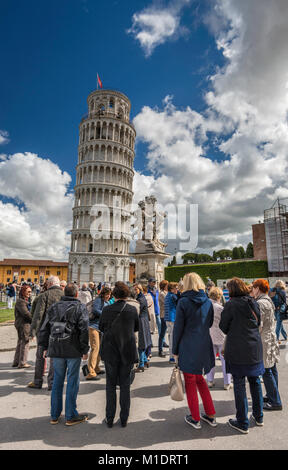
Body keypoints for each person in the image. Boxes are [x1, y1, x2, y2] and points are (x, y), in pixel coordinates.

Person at [38, 283, 89, 426]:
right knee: (72, 381)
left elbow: (44, 327)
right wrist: (85, 350)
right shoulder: (80, 307)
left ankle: (54, 415)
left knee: (57, 382)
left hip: (56, 347)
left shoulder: (54, 307)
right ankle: (71, 415)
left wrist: (44, 346)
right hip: (72, 348)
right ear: (76, 294)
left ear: (63, 293)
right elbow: (84, 330)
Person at [219, 277, 264, 434]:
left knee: (239, 384)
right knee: (255, 381)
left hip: (238, 348)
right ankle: (259, 416)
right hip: (254, 346)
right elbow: (258, 322)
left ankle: (242, 422)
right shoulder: (253, 302)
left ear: (231, 290)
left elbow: (223, 327)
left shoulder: (231, 305)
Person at [173, 273, 217, 430]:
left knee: (190, 381)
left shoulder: (183, 301)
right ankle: (210, 414)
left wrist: (175, 350)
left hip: (188, 344)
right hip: (203, 343)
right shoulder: (207, 301)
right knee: (200, 380)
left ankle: (195, 417)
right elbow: (210, 322)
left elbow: (178, 328)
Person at [99, 282, 139, 428]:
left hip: (110, 350)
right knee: (125, 385)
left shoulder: (106, 309)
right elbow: (136, 327)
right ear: (127, 295)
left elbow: (102, 327)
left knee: (110, 385)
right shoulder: (132, 310)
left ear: (114, 295)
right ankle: (124, 418)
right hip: (127, 350)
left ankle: (109, 418)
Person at [251, 279, 282, 411]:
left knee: (266, 370)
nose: (252, 290)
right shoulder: (267, 300)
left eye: (253, 287)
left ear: (258, 288)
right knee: (271, 368)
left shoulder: (260, 303)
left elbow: (259, 325)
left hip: (264, 339)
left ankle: (275, 401)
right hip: (270, 337)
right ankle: (272, 395)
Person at [28, 276, 63, 390]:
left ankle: (37, 382)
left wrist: (32, 332)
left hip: (44, 330)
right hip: (59, 329)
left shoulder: (44, 296)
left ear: (50, 284)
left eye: (47, 283)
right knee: (54, 356)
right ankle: (52, 383)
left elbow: (38, 315)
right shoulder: (64, 295)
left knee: (40, 356)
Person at [206, 287, 232, 390]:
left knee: (210, 360)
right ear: (219, 296)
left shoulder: (206, 306)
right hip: (221, 335)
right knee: (225, 360)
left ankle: (210, 380)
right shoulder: (220, 308)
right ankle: (227, 382)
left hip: (209, 335)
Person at [85, 287, 111, 380]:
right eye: (107, 294)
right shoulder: (98, 300)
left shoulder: (107, 302)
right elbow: (95, 310)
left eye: (109, 294)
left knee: (100, 349)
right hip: (93, 327)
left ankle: (96, 367)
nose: (108, 296)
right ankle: (91, 372)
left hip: (101, 328)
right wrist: (106, 314)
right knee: (95, 348)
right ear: (103, 294)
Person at [12, 285, 32, 368]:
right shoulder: (21, 301)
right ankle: (22, 362)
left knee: (20, 341)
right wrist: (34, 319)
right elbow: (26, 314)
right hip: (23, 324)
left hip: (21, 323)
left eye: (30, 292)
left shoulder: (23, 301)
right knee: (25, 341)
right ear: (23, 292)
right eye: (28, 292)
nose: (29, 293)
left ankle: (16, 361)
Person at [133, 284, 152, 372]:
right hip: (144, 320)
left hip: (141, 321)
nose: (134, 290)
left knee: (140, 342)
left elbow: (138, 311)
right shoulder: (141, 297)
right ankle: (144, 361)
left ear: (140, 289)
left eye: (136, 289)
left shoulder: (140, 299)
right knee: (143, 341)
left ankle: (141, 365)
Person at [164, 282, 178, 364]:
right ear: (172, 289)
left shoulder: (167, 295)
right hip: (172, 319)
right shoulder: (172, 296)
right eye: (176, 288)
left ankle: (171, 356)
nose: (177, 289)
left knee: (170, 337)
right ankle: (172, 357)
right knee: (172, 338)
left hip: (168, 319)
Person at [158, 280, 169, 358]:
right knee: (162, 333)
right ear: (164, 286)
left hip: (167, 314)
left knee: (165, 332)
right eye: (167, 285)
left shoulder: (166, 293)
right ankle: (160, 350)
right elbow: (167, 302)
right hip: (164, 315)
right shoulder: (162, 294)